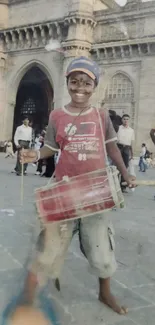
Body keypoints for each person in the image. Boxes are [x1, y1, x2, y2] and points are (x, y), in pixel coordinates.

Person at [20, 56, 135, 315]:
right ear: (67, 82)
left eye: (86, 83)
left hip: (96, 192)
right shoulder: (57, 115)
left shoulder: (101, 115)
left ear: (94, 86)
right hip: (64, 191)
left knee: (102, 250)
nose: (79, 88)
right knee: (48, 248)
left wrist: (126, 174)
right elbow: (51, 147)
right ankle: (32, 295)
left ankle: (105, 293)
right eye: (74, 82)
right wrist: (35, 155)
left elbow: (112, 148)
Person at [117, 114, 135, 192]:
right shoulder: (118, 128)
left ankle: (122, 186)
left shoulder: (131, 130)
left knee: (125, 167)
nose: (126, 120)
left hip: (127, 149)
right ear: (122, 120)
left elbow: (131, 142)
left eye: (127, 119)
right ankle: (116, 185)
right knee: (117, 166)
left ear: (129, 120)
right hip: (119, 147)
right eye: (124, 119)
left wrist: (132, 153)